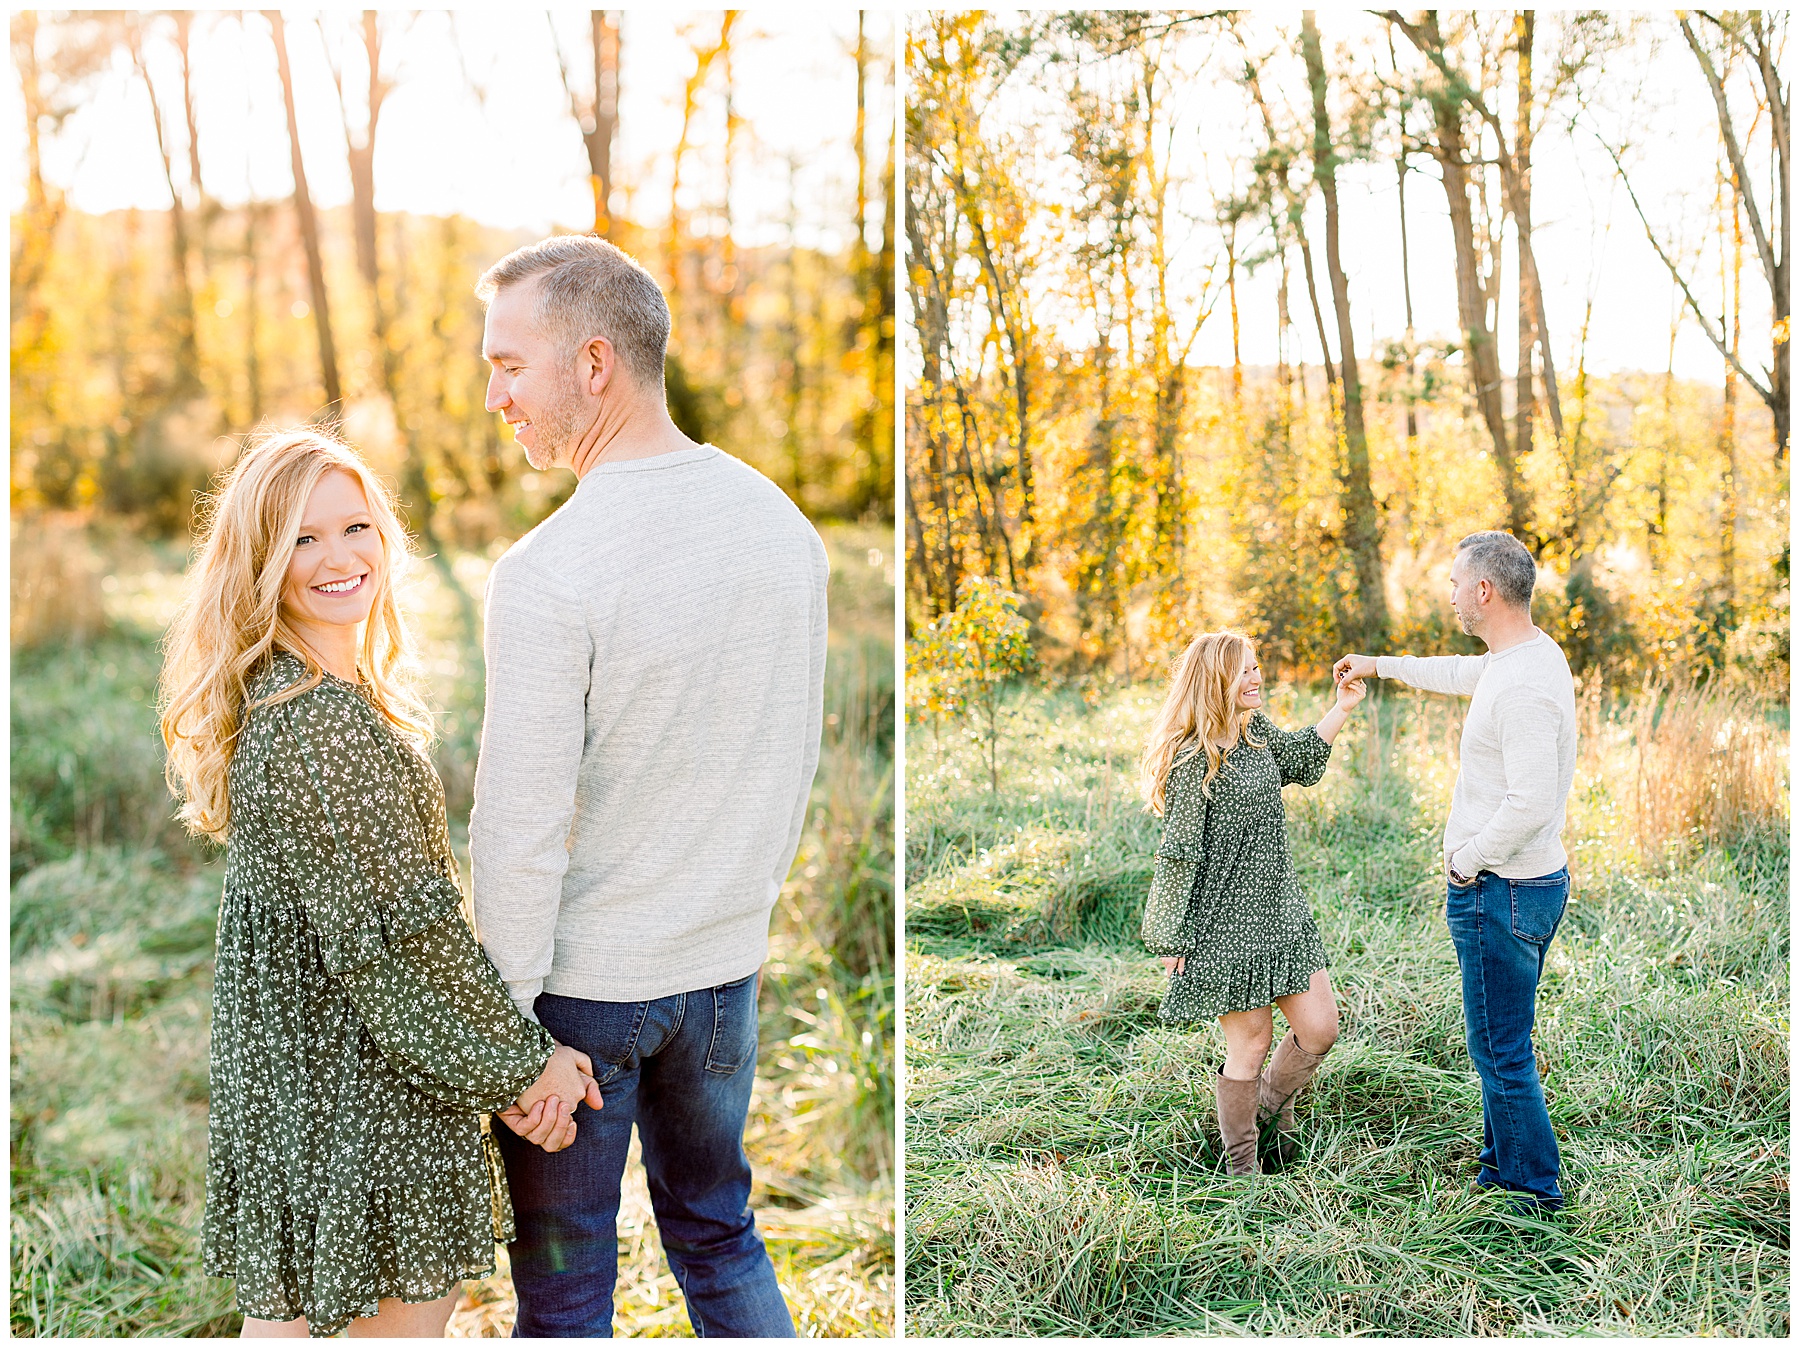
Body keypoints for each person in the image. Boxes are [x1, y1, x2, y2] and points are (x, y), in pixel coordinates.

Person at [159, 428, 604, 1338]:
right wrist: (528, 1069)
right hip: (358, 1103)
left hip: (309, 1091)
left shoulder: (307, 698)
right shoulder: (319, 727)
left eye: (355, 526)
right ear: (261, 563)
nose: (338, 557)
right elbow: (401, 948)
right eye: (303, 539)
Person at [470, 234, 827, 1336]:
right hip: (727, 975)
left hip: (580, 1001)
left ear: (591, 364)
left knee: (569, 1293)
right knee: (720, 1239)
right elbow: (793, 757)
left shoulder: (549, 574)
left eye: (508, 365)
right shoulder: (786, 529)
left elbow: (518, 833)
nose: (495, 397)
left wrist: (509, 1031)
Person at [1334, 530, 1576, 1212]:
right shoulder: (1522, 655)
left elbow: (1528, 802)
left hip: (1502, 889)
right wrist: (1379, 665)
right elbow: (1456, 674)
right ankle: (1503, 1164)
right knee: (1500, 1039)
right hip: (1521, 885)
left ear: (1484, 591)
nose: (1447, 595)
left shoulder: (1525, 686)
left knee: (1499, 1049)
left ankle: (1532, 1191)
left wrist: (1466, 862)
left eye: (1452, 583)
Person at [1139, 630, 1365, 1176]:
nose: (1256, 677)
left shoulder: (1257, 733)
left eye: (1256, 666)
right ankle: (1243, 1170)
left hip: (1281, 913)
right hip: (1224, 925)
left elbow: (1304, 760)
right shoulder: (1193, 761)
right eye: (1243, 670)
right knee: (1252, 1043)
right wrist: (1172, 937)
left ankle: (1268, 1110)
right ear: (1215, 681)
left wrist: (1341, 708)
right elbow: (1178, 855)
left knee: (1320, 1029)